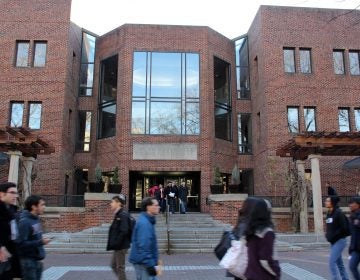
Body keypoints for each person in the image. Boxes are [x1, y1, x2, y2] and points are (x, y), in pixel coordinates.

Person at [242, 197, 281, 280]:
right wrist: (276, 272)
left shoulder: (251, 230)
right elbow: (265, 260)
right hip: (264, 276)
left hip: (250, 275)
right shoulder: (267, 233)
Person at [17, 195, 50, 280]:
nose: (44, 207)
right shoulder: (24, 222)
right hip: (28, 262)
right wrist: (40, 242)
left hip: (37, 260)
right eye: (42, 205)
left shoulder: (36, 219)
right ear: (34, 207)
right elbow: (21, 244)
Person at [129, 197, 160, 279]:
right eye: (156, 205)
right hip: (143, 263)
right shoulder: (144, 224)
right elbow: (143, 247)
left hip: (147, 262)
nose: (159, 207)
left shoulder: (148, 221)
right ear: (148, 207)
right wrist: (150, 265)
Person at [325, 195, 350, 280]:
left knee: (332, 262)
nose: (326, 202)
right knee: (340, 264)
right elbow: (329, 227)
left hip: (340, 241)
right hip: (333, 242)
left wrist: (334, 235)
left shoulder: (339, 213)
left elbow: (344, 228)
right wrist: (328, 235)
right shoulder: (329, 213)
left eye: (328, 201)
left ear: (332, 202)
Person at [0, 182, 22, 280]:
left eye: (16, 193)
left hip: (10, 256)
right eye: (12, 193)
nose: (15, 196)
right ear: (1, 194)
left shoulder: (12, 211)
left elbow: (13, 235)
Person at [106, 195, 131, 280]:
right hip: (118, 246)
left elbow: (124, 230)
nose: (111, 204)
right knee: (113, 265)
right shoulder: (118, 214)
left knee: (120, 267)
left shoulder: (122, 215)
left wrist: (117, 243)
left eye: (112, 202)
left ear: (118, 203)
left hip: (121, 246)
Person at [348, 196, 360, 280]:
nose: (350, 205)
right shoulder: (352, 216)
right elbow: (353, 234)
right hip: (356, 248)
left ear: (358, 205)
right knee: (352, 266)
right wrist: (351, 247)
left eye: (353, 203)